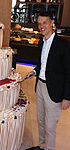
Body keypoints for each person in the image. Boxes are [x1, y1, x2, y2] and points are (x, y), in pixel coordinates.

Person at [25, 11, 70, 150]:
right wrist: (33, 72)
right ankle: (42, 146)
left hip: (54, 90)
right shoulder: (40, 42)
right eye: (39, 23)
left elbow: (69, 72)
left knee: (50, 126)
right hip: (40, 86)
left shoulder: (63, 44)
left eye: (44, 22)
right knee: (41, 121)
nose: (41, 26)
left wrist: (67, 97)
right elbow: (42, 64)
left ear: (52, 23)